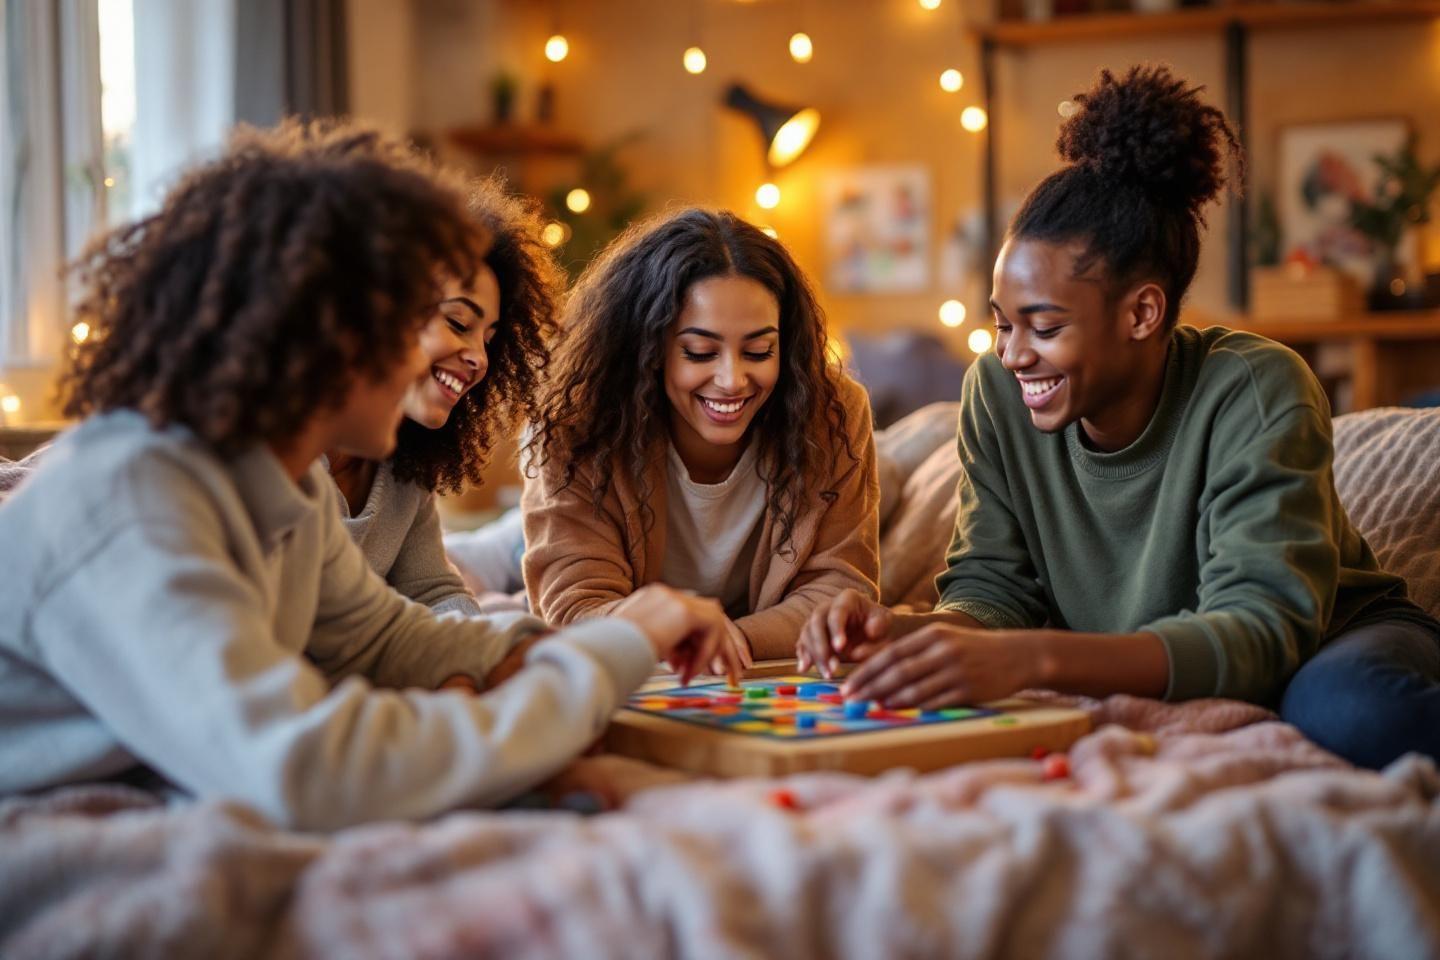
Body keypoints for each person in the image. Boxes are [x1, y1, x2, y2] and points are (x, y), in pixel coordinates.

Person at [0, 120, 736, 832]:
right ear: (325, 331)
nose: (436, 357)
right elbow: (310, 772)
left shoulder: (290, 484)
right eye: (407, 323)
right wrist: (610, 653)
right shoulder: (135, 505)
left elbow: (381, 637)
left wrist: (533, 653)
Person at [797, 65, 1440, 769]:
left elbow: (1261, 634)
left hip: (1332, 640)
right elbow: (992, 587)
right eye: (1001, 324)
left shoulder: (1255, 387)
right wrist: (912, 633)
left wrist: (1031, 658)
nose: (1012, 355)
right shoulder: (996, 394)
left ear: (1142, 312)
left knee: (1345, 710)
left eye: (1042, 327)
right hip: (1163, 655)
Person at [523, 208, 881, 663]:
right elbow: (576, 609)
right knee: (503, 573)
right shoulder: (578, 420)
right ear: (648, 348)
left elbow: (839, 589)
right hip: (581, 533)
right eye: (699, 351)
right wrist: (688, 638)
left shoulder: (832, 412)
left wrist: (729, 641)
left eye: (758, 350)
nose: (732, 379)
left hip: (726, 634)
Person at [325, 179, 559, 615]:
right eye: (457, 323)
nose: (479, 359)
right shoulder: (281, 460)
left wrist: (496, 653)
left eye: (490, 340)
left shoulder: (404, 465)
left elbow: (434, 590)